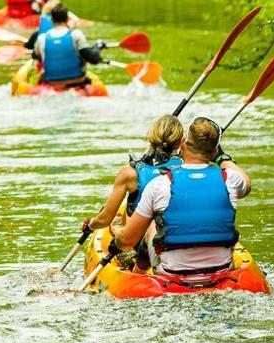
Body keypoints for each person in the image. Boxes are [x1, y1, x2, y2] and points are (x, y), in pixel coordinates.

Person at [107, 117, 252, 283]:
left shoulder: (159, 184)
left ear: (182, 144)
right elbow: (246, 184)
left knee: (152, 226)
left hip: (172, 273)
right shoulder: (231, 179)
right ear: (213, 153)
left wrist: (117, 237)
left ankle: (137, 277)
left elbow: (127, 241)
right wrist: (222, 158)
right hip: (221, 271)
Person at [31, 5, 104, 88]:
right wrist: (98, 47)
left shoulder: (41, 38)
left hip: (51, 84)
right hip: (77, 82)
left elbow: (36, 56)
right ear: (67, 19)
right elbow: (94, 59)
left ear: (51, 20)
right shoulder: (76, 35)